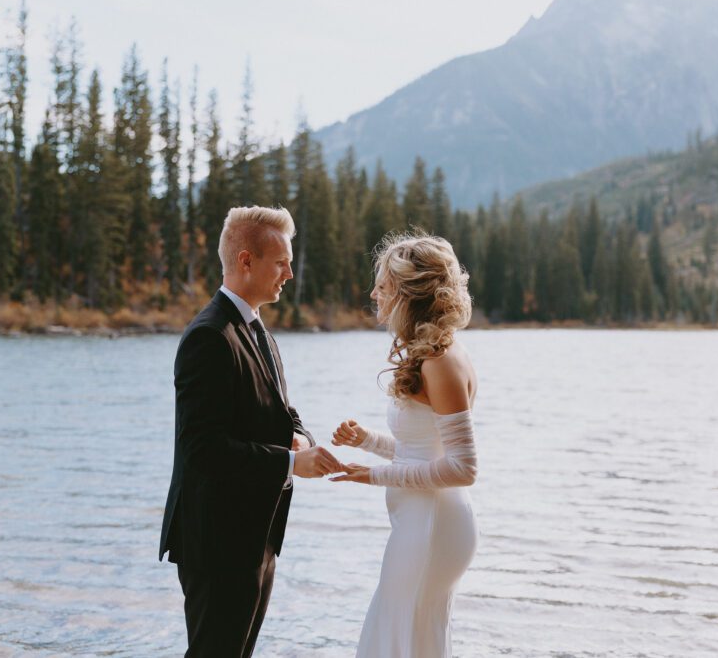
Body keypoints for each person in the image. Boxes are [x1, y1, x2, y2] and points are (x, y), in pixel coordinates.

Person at [159, 205, 343, 658]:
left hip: (257, 534)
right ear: (246, 260)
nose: (289, 274)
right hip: (217, 541)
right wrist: (288, 462)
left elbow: (281, 408)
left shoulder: (258, 330)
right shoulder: (209, 337)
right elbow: (203, 449)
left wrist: (300, 438)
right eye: (281, 262)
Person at [331, 231, 479, 658]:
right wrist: (367, 442)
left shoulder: (443, 360)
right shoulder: (429, 355)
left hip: (434, 524)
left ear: (408, 294)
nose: (374, 293)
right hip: (419, 520)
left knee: (401, 637)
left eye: (384, 285)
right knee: (401, 635)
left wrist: (373, 476)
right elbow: (420, 451)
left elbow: (463, 467)